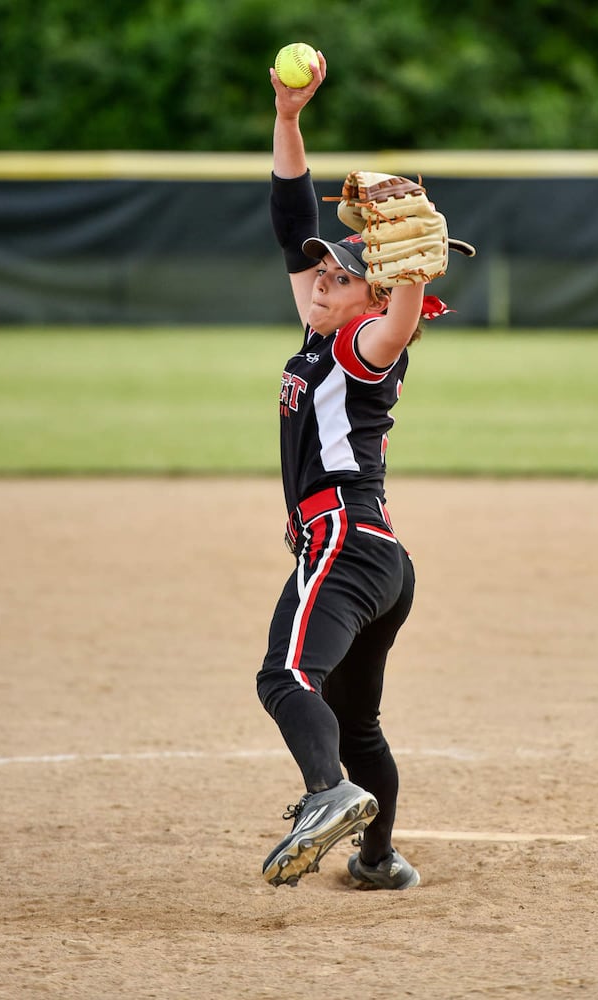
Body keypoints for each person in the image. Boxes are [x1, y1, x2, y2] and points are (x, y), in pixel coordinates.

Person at [256, 52, 472, 890]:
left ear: (371, 297)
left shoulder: (361, 345)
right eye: (319, 272)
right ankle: (377, 861)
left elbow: (398, 324)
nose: (317, 281)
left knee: (285, 677)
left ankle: (326, 795)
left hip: (344, 543)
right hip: (378, 556)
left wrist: (408, 280)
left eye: (338, 276)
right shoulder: (322, 332)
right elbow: (288, 221)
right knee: (359, 723)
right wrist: (287, 121)